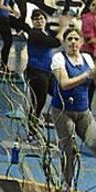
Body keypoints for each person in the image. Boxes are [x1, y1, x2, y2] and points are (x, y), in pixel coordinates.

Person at [51, 28, 96, 191]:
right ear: (65, 42)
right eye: (70, 39)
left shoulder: (87, 58)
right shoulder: (59, 58)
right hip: (63, 111)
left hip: (83, 111)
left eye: (76, 39)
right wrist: (86, 75)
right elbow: (64, 84)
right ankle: (67, 185)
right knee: (69, 151)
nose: (73, 42)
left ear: (81, 43)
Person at [25, 10, 66, 139]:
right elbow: (55, 42)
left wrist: (65, 26)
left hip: (47, 72)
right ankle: (31, 131)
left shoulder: (45, 31)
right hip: (36, 73)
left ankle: (63, 124)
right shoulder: (34, 34)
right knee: (38, 102)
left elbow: (60, 36)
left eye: (42, 19)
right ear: (32, 21)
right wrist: (63, 27)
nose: (39, 21)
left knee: (59, 94)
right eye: (36, 19)